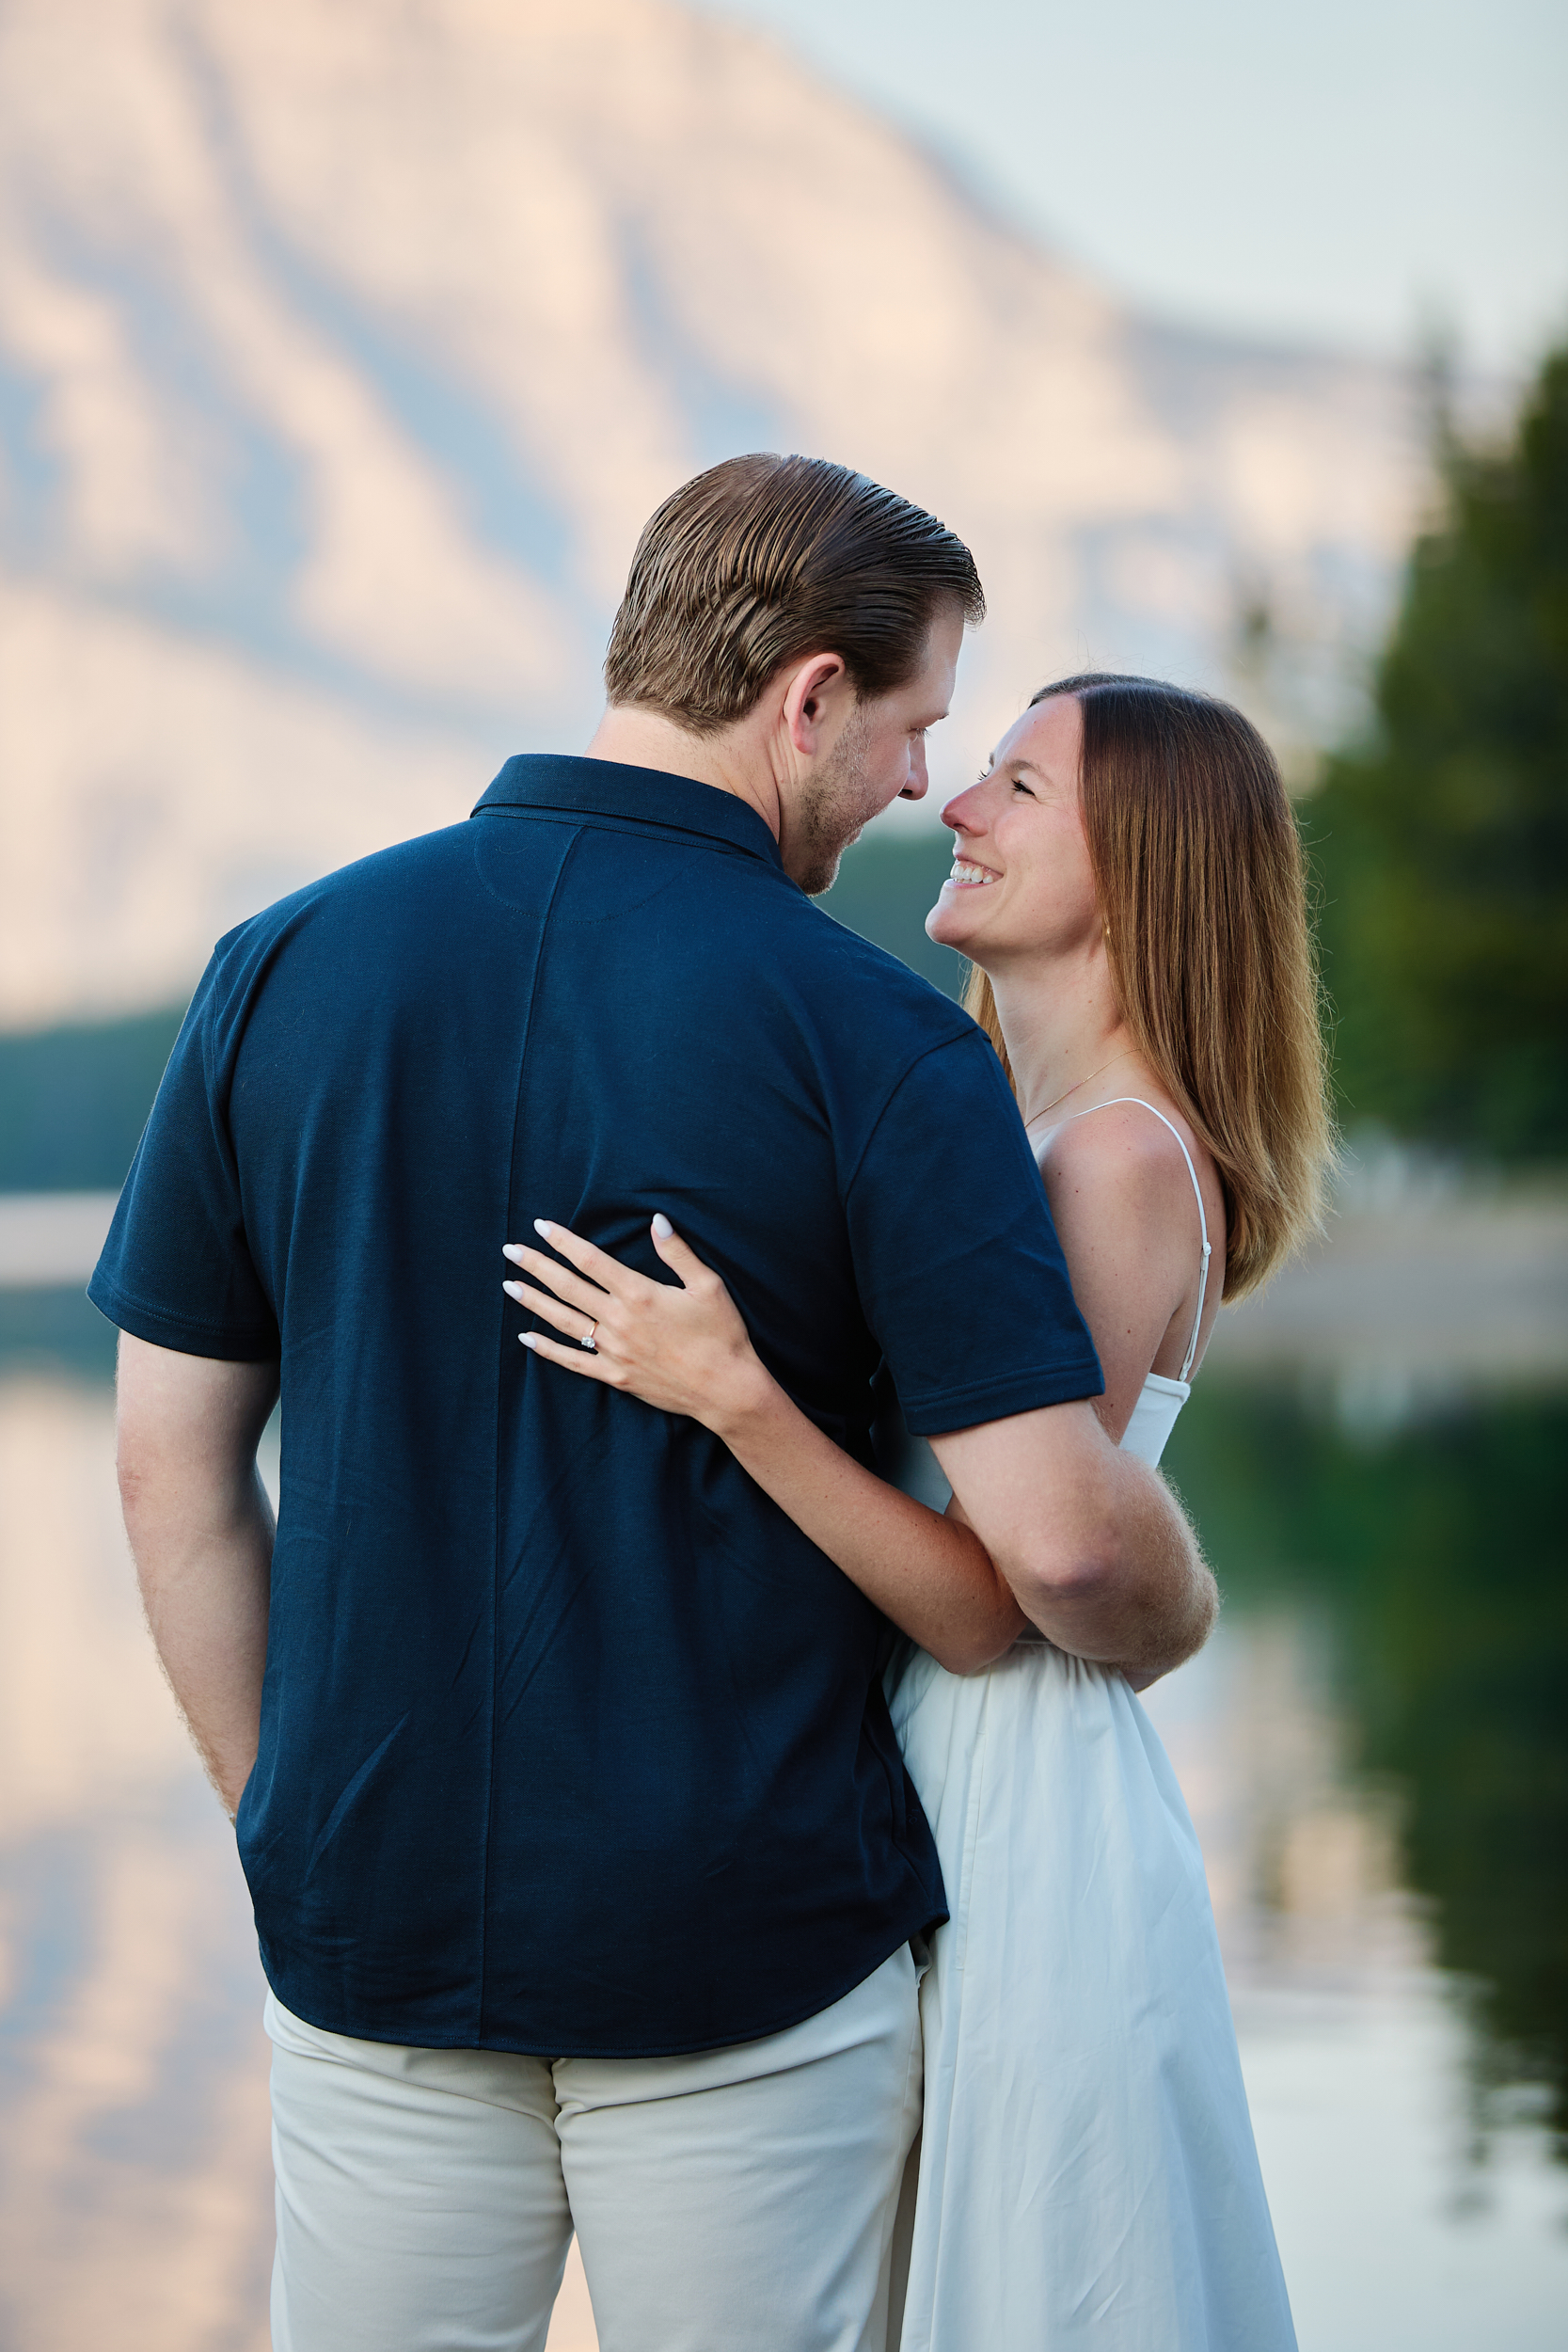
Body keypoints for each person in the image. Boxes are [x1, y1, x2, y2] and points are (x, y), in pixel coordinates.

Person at [89, 459, 1215, 2352]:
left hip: (370, 1937)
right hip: (751, 1947)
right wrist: (1177, 1601)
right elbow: (1065, 1537)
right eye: (914, 724)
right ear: (805, 697)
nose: (915, 788)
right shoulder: (873, 1038)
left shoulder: (274, 971)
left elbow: (167, 1468)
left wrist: (287, 1821)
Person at [510, 672, 1329, 2348]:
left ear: (1148, 867)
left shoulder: (1111, 1159)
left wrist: (734, 1395)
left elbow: (1000, 1586)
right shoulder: (1005, 1122)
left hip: (1012, 1779)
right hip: (916, 1756)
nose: (952, 802)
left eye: (1020, 790)